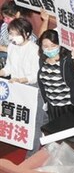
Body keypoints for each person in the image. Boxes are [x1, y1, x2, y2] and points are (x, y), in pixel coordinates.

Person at [0, 19, 43, 154]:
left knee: (35, 121)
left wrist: (20, 80)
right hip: (16, 87)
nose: (12, 38)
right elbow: (9, 67)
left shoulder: (34, 50)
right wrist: (2, 72)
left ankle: (32, 153)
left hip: (32, 88)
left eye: (16, 34)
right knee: (21, 118)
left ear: (27, 34)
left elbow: (35, 76)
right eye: (11, 34)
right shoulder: (12, 47)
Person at [36, 30, 74, 120]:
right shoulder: (42, 60)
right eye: (45, 46)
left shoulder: (65, 58)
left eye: (53, 46)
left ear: (59, 45)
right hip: (52, 105)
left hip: (68, 105)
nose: (49, 49)